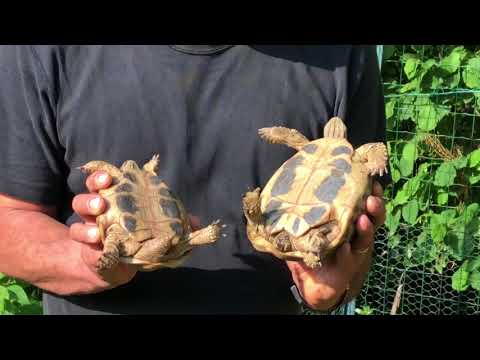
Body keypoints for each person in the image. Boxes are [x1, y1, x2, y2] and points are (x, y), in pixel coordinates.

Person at [0, 45, 388, 315]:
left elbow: (355, 245)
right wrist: (88, 261)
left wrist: (330, 288)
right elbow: (8, 220)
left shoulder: (343, 54)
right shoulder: (42, 51)